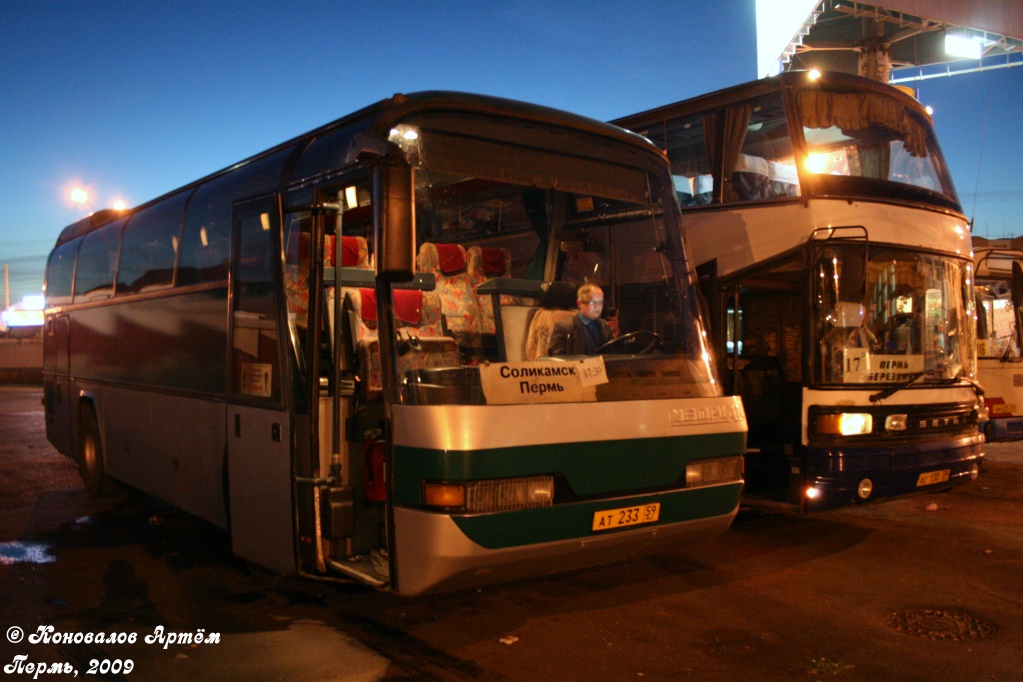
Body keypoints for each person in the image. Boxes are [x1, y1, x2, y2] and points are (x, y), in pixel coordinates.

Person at [549, 283, 614, 355]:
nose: (597, 306)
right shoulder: (564, 328)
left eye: (600, 302)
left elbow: (612, 355)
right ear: (580, 303)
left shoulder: (604, 326)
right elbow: (556, 359)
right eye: (593, 302)